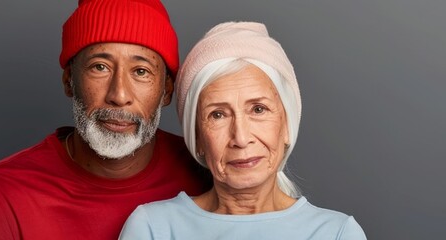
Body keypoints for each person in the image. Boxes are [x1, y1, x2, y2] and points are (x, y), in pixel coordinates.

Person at [0, 1, 212, 239]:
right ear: (69, 81)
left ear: (166, 90)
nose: (119, 95)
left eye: (141, 71)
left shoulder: (210, 174)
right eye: (100, 67)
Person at [119, 21, 367, 240]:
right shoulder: (153, 228)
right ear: (198, 139)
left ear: (287, 126)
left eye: (258, 110)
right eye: (218, 115)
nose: (241, 137)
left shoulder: (337, 233)